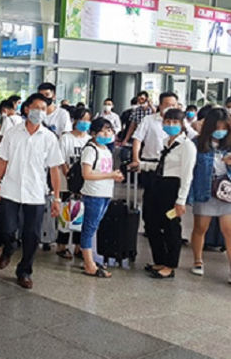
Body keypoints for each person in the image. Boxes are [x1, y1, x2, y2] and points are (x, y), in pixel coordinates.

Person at [0, 93, 64, 289]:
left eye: (43, 109)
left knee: (32, 235)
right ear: (26, 109)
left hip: (35, 193)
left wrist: (56, 197)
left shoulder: (49, 138)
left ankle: (24, 271)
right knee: (7, 228)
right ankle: (9, 247)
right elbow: (2, 161)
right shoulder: (13, 133)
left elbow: (54, 169)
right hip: (10, 189)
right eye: (36, 108)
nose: (39, 112)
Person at [130, 109, 197, 279]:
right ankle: (159, 260)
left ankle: (170, 265)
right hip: (158, 184)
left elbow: (186, 175)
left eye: (175, 122)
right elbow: (162, 166)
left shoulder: (187, 146)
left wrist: (181, 200)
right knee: (151, 223)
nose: (170, 125)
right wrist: (142, 165)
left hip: (173, 188)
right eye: (167, 122)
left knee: (170, 226)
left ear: (182, 125)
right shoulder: (166, 141)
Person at [187, 108, 231, 282]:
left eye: (224, 127)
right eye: (217, 127)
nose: (220, 131)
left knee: (228, 230)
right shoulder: (197, 143)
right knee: (200, 227)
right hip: (204, 189)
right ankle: (198, 260)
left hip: (226, 191)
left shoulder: (228, 143)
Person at [79, 118, 124, 278]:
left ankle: (90, 259)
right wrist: (111, 174)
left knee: (94, 226)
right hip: (93, 193)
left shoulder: (105, 149)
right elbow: (87, 173)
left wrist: (113, 176)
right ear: (93, 133)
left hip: (104, 192)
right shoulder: (90, 150)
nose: (107, 133)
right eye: (103, 130)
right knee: (89, 228)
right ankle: (88, 264)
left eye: (109, 130)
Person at [55, 108, 92, 260]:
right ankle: (62, 245)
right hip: (67, 183)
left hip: (85, 184)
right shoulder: (66, 138)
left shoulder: (89, 139)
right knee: (66, 213)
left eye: (88, 120)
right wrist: (68, 175)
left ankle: (78, 246)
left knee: (81, 214)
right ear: (75, 120)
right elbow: (61, 159)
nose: (85, 123)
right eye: (82, 119)